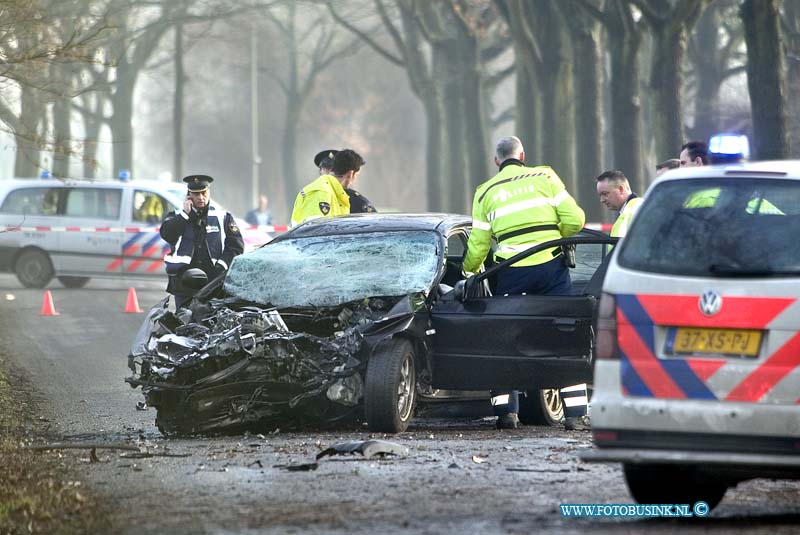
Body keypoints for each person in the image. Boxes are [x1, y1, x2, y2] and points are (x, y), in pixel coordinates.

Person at [462, 136, 586, 430]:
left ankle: (507, 414)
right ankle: (575, 416)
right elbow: (576, 219)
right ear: (522, 155)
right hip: (552, 271)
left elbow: (479, 245)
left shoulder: (484, 191)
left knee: (504, 339)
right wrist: (558, 235)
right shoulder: (545, 176)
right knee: (565, 338)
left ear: (497, 161)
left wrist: (467, 272)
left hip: (511, 273)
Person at [160, 174, 244, 309]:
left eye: (203, 193)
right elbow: (167, 235)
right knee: (184, 324)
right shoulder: (176, 216)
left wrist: (221, 267)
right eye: (196, 194)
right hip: (183, 283)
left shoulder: (222, 217)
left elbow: (236, 247)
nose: (200, 197)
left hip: (214, 282)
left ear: (208, 192)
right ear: (189, 196)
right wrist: (185, 215)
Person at [291, 149, 365, 226]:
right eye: (356, 175)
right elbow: (315, 231)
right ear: (351, 174)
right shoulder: (321, 192)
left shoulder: (335, 192)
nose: (354, 180)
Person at [314, 149, 377, 214]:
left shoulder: (354, 200)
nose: (330, 172)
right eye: (326, 169)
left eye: (332, 168)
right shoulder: (311, 194)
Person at [596, 170, 643, 238]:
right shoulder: (628, 210)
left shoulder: (635, 209)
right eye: (600, 195)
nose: (602, 200)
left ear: (621, 189)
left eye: (605, 194)